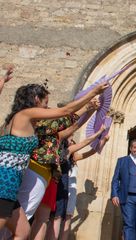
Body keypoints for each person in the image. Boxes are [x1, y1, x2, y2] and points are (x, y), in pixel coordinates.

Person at [0, 82, 107, 238]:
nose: (46, 109)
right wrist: (93, 92)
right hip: (5, 181)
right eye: (45, 104)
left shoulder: (28, 122)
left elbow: (66, 123)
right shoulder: (25, 115)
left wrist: (89, 107)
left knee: (22, 231)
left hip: (12, 182)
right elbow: (65, 111)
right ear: (36, 99)